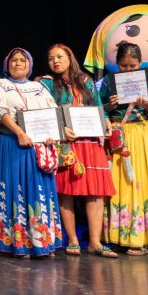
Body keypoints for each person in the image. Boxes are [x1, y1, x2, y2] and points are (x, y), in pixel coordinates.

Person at [38, 43, 115, 257]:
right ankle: (71, 239)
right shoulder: (45, 84)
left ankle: (95, 241)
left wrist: (106, 120)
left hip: (90, 141)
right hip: (66, 143)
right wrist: (61, 128)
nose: (55, 61)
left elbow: (98, 106)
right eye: (51, 58)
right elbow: (43, 112)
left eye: (60, 56)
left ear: (70, 57)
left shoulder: (86, 81)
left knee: (95, 192)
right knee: (66, 191)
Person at [0, 48, 64, 258]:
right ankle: (19, 244)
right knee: (17, 189)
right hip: (13, 142)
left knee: (38, 189)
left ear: (29, 64)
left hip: (38, 145)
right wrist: (20, 133)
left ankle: (43, 241)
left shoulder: (38, 87)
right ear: (7, 64)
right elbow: (1, 112)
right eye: (14, 60)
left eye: (23, 60)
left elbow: (53, 113)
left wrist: (52, 135)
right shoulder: (0, 85)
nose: (18, 63)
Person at [98, 41, 148, 257]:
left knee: (142, 182)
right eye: (124, 66)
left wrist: (147, 106)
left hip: (143, 134)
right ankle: (119, 236)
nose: (128, 70)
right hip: (121, 135)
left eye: (132, 66)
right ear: (117, 64)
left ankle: (141, 238)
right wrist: (109, 105)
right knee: (121, 184)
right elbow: (98, 111)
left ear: (140, 64)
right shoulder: (108, 81)